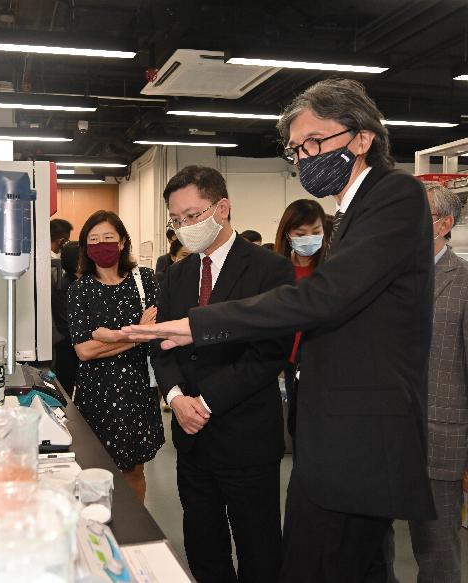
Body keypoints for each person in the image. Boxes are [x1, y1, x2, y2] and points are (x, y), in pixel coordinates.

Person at [122, 78, 436, 582]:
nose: (305, 156)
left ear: (362, 137)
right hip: (333, 435)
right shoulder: (352, 212)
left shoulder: (394, 193)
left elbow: (322, 299)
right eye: (296, 150)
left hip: (357, 438)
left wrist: (197, 326)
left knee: (312, 563)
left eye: (314, 142)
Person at [152, 165, 294, 582]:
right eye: (176, 221)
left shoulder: (270, 270)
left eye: (193, 216)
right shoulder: (176, 274)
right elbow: (162, 345)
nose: (184, 228)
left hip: (246, 436)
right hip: (191, 439)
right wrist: (177, 398)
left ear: (223, 208)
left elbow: (269, 353)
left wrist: (206, 401)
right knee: (203, 544)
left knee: (259, 548)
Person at [67, 211, 164, 502]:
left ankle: (134, 532)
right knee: (94, 470)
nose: (101, 244)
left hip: (138, 390)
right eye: (93, 240)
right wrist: (136, 334)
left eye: (108, 238)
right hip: (97, 392)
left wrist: (110, 335)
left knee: (134, 470)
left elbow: (158, 330)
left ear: (122, 242)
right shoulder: (80, 290)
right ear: (85, 247)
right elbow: (84, 351)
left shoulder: (145, 280)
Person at [404, 181, 468, 583]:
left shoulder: (462, 283)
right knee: (373, 542)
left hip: (439, 436)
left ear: (443, 224)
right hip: (384, 431)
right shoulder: (385, 274)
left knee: (437, 550)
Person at [273, 199, 328, 441]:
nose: (310, 238)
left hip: (323, 360)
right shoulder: (275, 270)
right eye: (301, 233)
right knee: (296, 426)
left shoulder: (332, 270)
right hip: (288, 359)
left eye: (316, 232)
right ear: (288, 235)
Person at [52, 241, 80, 395]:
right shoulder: (64, 286)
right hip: (68, 349)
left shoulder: (86, 283)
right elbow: (64, 324)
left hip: (83, 346)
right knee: (65, 392)